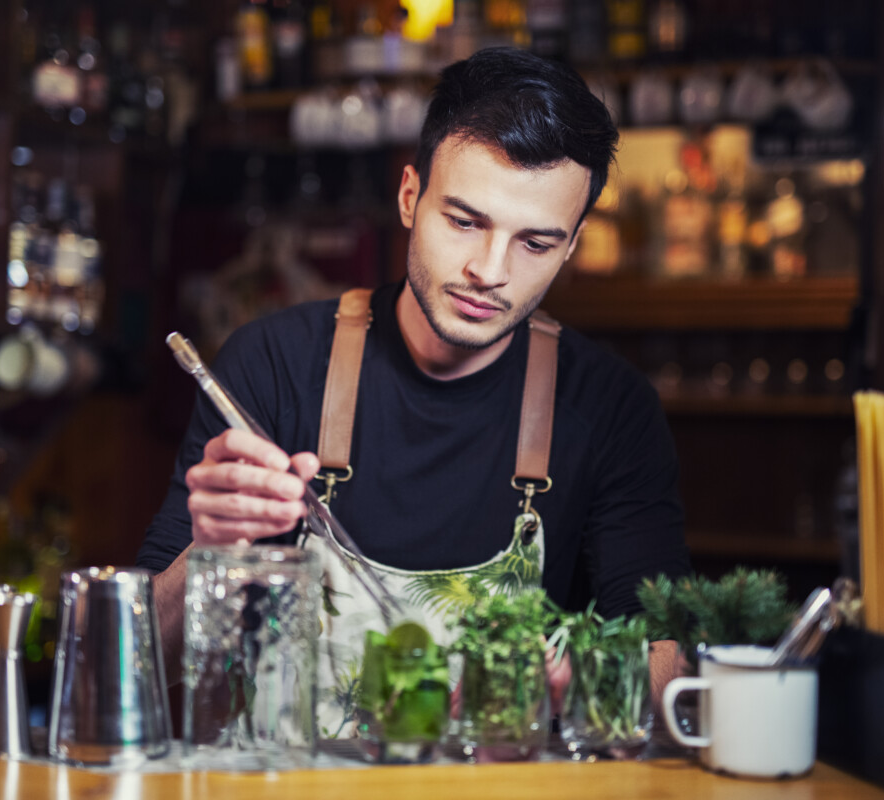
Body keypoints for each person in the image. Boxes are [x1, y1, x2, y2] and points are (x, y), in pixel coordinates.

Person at [138, 46, 690, 736]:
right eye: (464, 221)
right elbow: (141, 666)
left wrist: (594, 677)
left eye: (537, 244)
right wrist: (211, 554)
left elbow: (670, 659)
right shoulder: (274, 363)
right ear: (409, 197)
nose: (490, 271)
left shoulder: (610, 408)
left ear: (573, 245)